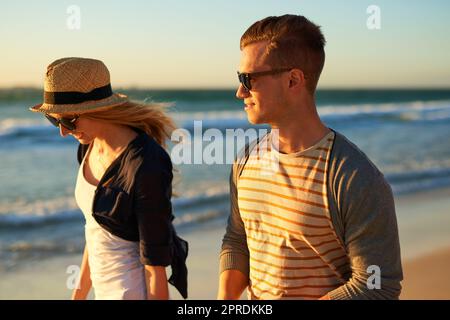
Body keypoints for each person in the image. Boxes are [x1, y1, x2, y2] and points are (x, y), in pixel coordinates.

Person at [218, 15, 402, 300]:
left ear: (293, 80)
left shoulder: (353, 176)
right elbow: (238, 240)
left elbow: (378, 285)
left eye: (248, 79)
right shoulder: (245, 162)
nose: (240, 91)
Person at [30, 57, 188, 300]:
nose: (63, 131)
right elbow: (95, 232)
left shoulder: (145, 163)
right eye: (54, 119)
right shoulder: (88, 146)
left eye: (68, 120)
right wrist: (78, 295)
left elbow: (155, 268)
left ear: (98, 108)